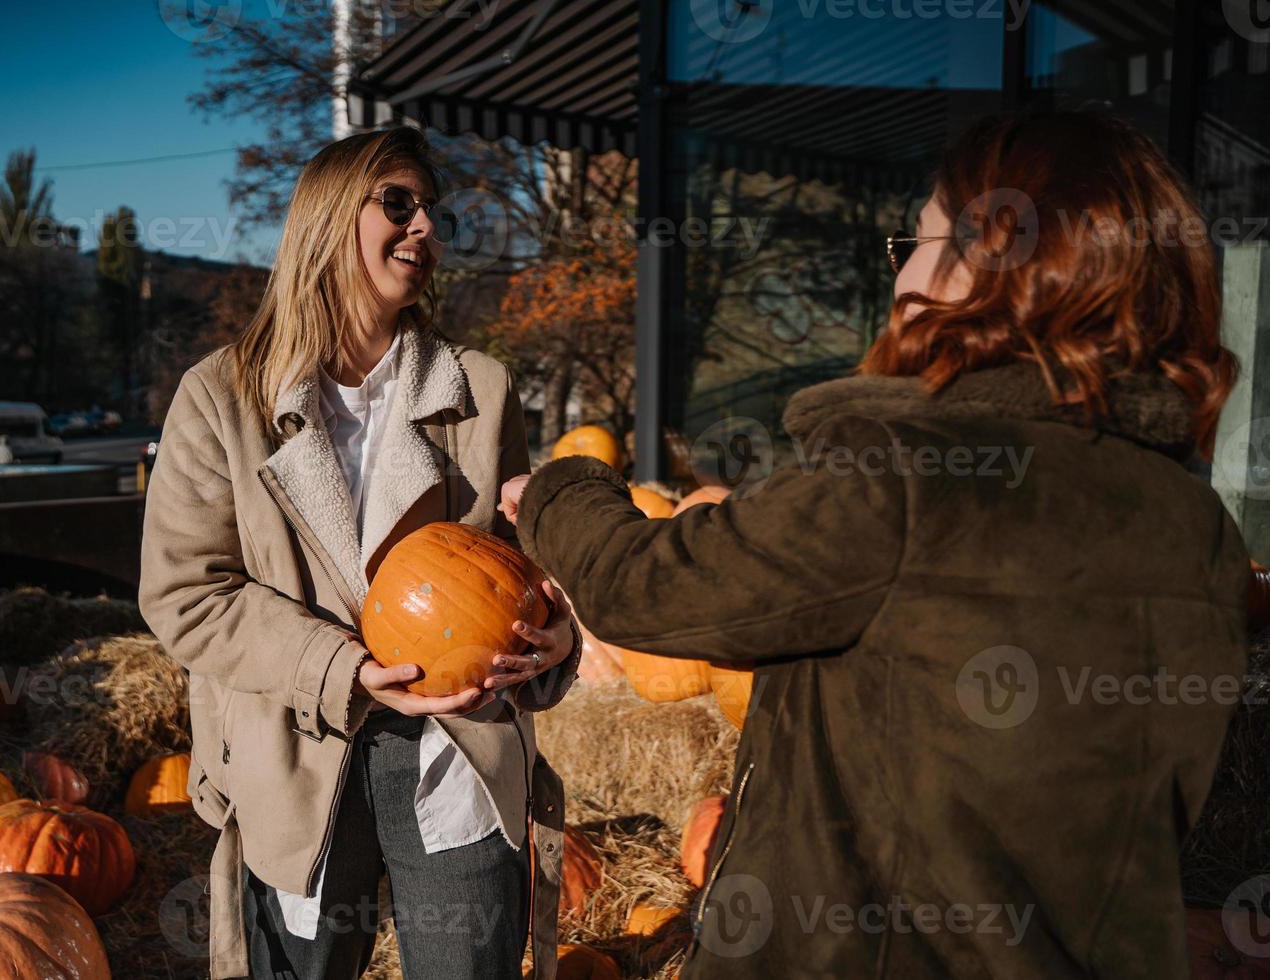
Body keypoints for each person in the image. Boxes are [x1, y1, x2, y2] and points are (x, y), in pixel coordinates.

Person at [500, 111, 1246, 978]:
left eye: (915, 242)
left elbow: (650, 588)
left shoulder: (903, 477)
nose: (899, 276)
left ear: (991, 265)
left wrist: (563, 490)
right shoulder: (1197, 528)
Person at [139, 126, 580, 980]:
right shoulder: (220, 397)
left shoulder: (480, 391)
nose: (425, 229)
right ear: (328, 217)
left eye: (433, 213)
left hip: (456, 750)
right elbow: (187, 593)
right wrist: (337, 666)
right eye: (399, 203)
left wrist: (555, 640)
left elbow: (514, 570)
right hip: (296, 747)